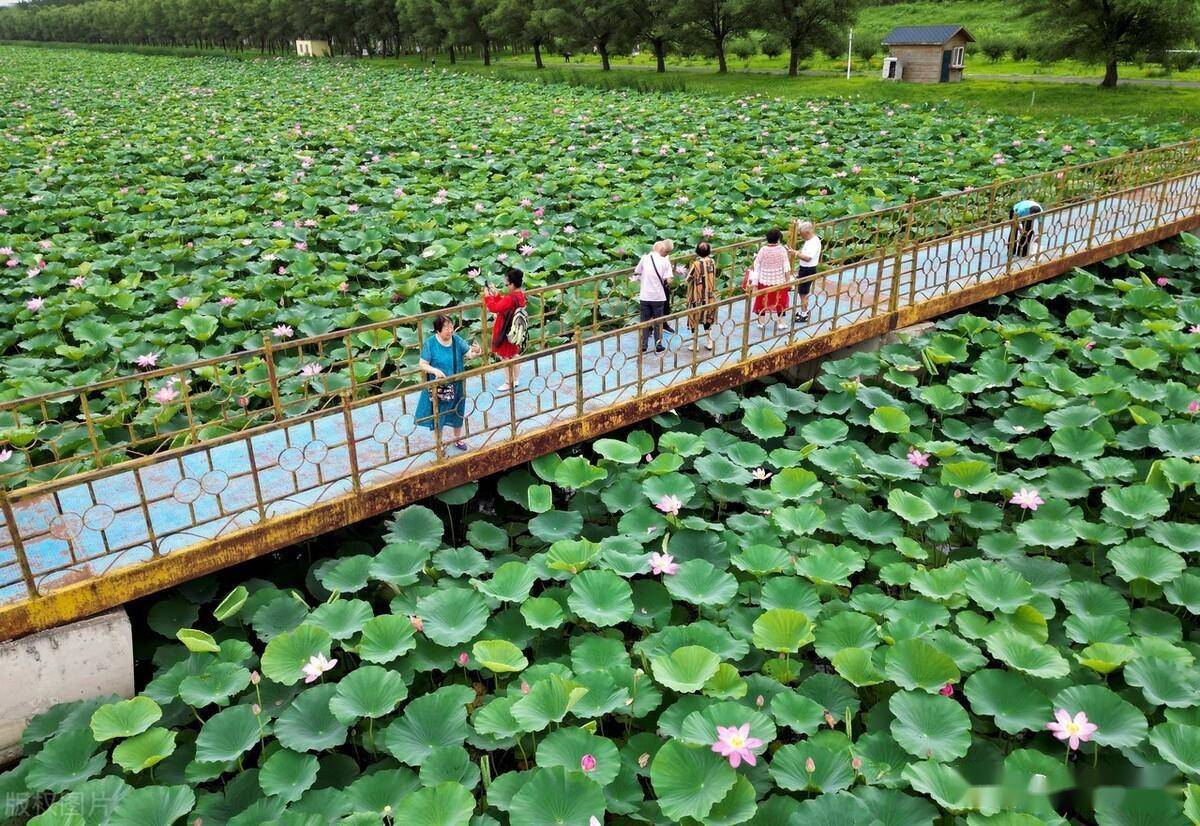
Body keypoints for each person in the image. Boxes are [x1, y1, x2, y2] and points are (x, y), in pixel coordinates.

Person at [414, 315, 481, 451]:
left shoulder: (456, 340)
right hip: (440, 386)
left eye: (451, 326)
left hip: (457, 382)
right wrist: (435, 371)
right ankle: (439, 444)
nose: (450, 330)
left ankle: (457, 439)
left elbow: (469, 354)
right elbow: (422, 364)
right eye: (446, 327)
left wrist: (477, 351)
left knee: (458, 409)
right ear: (438, 330)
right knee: (439, 414)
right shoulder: (431, 343)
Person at [484, 268, 527, 391]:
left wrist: (488, 297)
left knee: (505, 356)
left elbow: (494, 308)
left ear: (513, 284)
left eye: (507, 284)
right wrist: (496, 294)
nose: (507, 287)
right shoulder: (519, 295)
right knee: (514, 353)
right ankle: (516, 379)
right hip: (515, 329)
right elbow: (504, 304)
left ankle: (509, 382)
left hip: (505, 330)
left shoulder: (511, 298)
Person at [631, 239, 674, 353]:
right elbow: (669, 280)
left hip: (645, 295)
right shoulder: (665, 261)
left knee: (644, 321)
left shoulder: (644, 258)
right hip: (658, 297)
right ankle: (658, 345)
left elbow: (637, 271)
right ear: (662, 249)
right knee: (658, 321)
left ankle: (643, 345)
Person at [749, 228, 793, 332]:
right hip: (779, 280)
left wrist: (755, 282)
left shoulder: (763, 250)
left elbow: (757, 265)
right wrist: (788, 281)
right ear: (778, 239)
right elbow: (786, 267)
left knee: (762, 301)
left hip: (764, 280)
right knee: (780, 301)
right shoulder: (782, 250)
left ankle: (761, 322)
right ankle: (780, 322)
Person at [686, 241, 718, 351]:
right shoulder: (712, 262)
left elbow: (688, 278)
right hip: (710, 296)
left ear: (697, 251)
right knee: (707, 318)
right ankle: (709, 342)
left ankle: (695, 344)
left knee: (694, 318)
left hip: (697, 297)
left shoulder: (696, 264)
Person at [793, 221, 820, 324]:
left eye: (802, 235)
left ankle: (804, 313)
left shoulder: (813, 242)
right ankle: (804, 311)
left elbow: (808, 258)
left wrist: (796, 254)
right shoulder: (810, 240)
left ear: (807, 233)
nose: (802, 237)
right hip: (805, 268)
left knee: (803, 292)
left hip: (808, 269)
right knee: (802, 292)